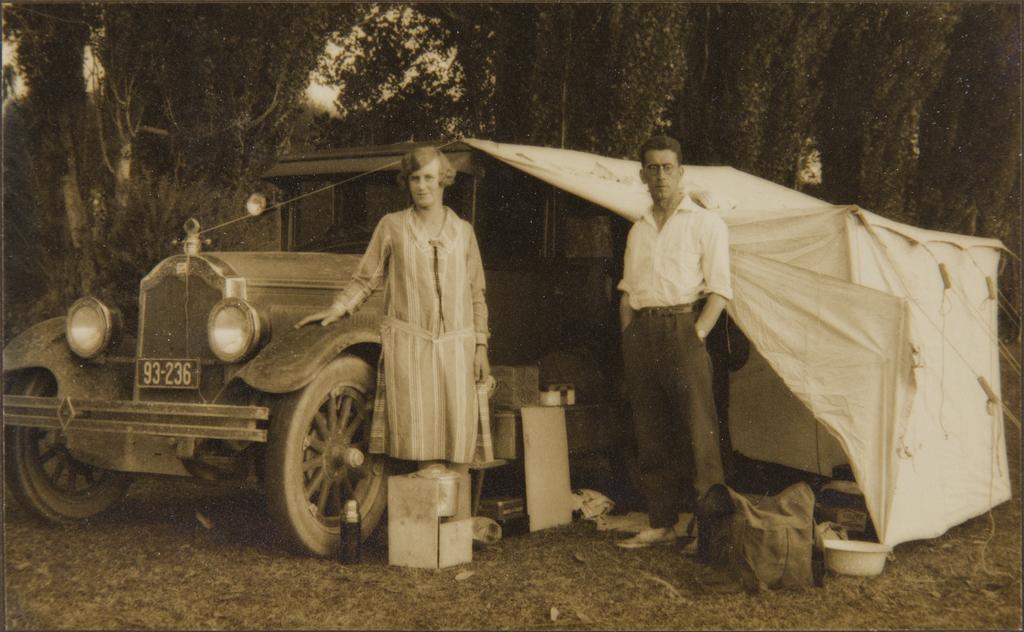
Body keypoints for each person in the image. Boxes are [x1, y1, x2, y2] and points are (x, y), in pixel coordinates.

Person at [296, 147, 491, 502]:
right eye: (415, 178)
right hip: (410, 346)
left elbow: (477, 293)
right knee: (413, 441)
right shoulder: (392, 226)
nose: (422, 186)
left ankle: (455, 534)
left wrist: (480, 347)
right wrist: (337, 309)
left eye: (429, 177)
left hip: (457, 350)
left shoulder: (463, 233)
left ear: (444, 180)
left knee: (457, 441)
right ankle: (413, 529)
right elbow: (365, 278)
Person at [616, 135, 732, 549]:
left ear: (681, 173)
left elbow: (719, 290)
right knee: (650, 431)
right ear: (643, 174)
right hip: (642, 334)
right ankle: (661, 522)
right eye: (653, 168)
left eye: (668, 167)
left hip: (683, 328)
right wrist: (630, 333)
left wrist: (696, 332)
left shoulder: (706, 224)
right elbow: (628, 291)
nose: (661, 176)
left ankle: (710, 534)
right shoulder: (638, 230)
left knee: (699, 433)